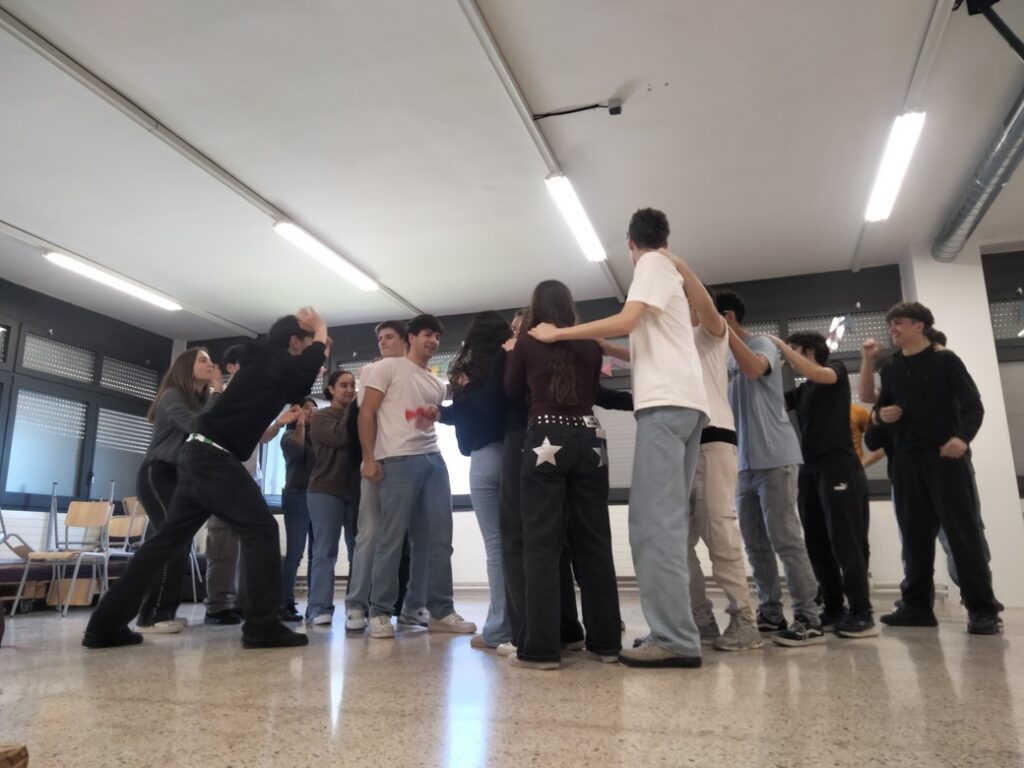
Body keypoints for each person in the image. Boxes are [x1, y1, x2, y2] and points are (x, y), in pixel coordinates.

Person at [82, 308, 330, 650]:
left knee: (165, 542)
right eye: (309, 344)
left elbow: (298, 381)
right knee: (262, 529)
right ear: (294, 342)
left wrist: (317, 345)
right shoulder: (273, 359)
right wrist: (320, 328)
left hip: (199, 455)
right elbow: (302, 378)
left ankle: (104, 625)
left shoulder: (264, 364)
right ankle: (261, 627)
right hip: (213, 458)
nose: (315, 351)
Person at [530, 208, 710, 668]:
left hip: (665, 408)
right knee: (667, 523)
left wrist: (559, 332)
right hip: (686, 406)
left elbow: (627, 321)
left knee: (652, 527)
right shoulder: (671, 274)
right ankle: (677, 632)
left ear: (631, 242)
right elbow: (649, 341)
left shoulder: (651, 264)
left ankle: (675, 639)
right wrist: (606, 348)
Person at [506, 282, 622, 669]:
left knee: (541, 545)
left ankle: (541, 650)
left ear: (535, 308)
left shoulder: (526, 344)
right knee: (595, 542)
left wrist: (514, 352)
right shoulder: (589, 343)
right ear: (569, 307)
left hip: (545, 436)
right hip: (590, 438)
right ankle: (606, 643)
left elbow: (511, 390)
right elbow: (593, 390)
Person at [874, 302, 1001, 634]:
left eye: (899, 322)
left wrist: (962, 438)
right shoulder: (891, 368)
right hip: (905, 461)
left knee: (962, 535)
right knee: (914, 538)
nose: (892, 329)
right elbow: (879, 411)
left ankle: (983, 609)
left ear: (920, 325)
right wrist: (881, 415)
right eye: (890, 324)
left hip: (944, 459)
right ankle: (917, 607)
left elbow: (974, 406)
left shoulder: (946, 361)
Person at [716, 289, 824, 647]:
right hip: (743, 463)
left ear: (728, 317)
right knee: (755, 546)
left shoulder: (761, 343)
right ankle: (771, 612)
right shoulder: (722, 357)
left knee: (786, 539)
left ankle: (809, 617)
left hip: (776, 458)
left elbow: (753, 369)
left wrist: (724, 331)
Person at [358, 314, 476, 639]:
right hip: (397, 459)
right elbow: (366, 412)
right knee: (391, 538)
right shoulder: (387, 368)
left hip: (433, 460)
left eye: (437, 337)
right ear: (411, 337)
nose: (433, 341)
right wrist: (369, 458)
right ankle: (380, 612)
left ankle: (439, 610)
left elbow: (427, 419)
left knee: (439, 540)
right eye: (427, 334)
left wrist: (431, 415)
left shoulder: (436, 383)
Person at [772, 331, 876, 639]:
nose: (788, 357)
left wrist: (779, 345)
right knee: (817, 544)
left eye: (793, 350)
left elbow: (818, 373)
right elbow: (770, 401)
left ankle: (861, 612)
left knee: (846, 542)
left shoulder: (835, 370)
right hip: (810, 470)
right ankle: (833, 607)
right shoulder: (804, 391)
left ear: (809, 350)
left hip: (839, 468)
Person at [685, 287, 763, 652]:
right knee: (676, 541)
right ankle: (700, 619)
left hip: (713, 438)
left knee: (719, 531)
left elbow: (706, 307)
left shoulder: (711, 331)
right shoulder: (679, 338)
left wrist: (678, 268)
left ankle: (744, 620)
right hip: (682, 444)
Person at [204, 344, 297, 625]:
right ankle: (218, 605)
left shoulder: (252, 396)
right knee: (222, 544)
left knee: (252, 542)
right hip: (221, 479)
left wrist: (278, 423)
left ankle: (245, 602)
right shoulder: (216, 396)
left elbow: (260, 436)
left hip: (250, 480)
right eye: (245, 365)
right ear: (231, 368)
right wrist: (218, 388)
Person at [344, 320, 427, 632]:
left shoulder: (417, 373)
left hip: (409, 462)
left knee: (408, 539)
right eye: (379, 338)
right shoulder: (372, 371)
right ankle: (356, 604)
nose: (382, 342)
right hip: (377, 463)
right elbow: (365, 416)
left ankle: (408, 606)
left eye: (388, 337)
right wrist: (369, 459)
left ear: (406, 340)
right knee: (369, 534)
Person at [134, 347, 223, 634]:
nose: (211, 364)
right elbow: (198, 427)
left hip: (179, 476)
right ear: (187, 367)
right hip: (157, 473)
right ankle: (151, 616)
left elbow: (214, 428)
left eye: (210, 360)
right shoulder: (172, 395)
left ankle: (164, 611)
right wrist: (218, 393)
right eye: (203, 360)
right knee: (172, 540)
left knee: (179, 541)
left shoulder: (200, 400)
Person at [439, 311, 514, 650]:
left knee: (497, 546)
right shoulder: (506, 360)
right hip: (511, 454)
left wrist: (465, 389)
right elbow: (471, 411)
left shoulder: (484, 367)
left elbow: (486, 406)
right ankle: (515, 623)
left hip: (487, 457)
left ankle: (499, 629)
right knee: (513, 544)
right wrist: (441, 414)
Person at [305, 371, 361, 624]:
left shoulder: (359, 416)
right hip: (325, 490)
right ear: (330, 389)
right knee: (325, 552)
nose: (349, 390)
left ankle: (356, 607)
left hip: (356, 491)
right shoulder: (321, 416)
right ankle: (319, 608)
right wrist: (355, 409)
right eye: (343, 385)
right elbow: (340, 436)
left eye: (353, 385)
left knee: (359, 551)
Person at [278, 397, 318, 622]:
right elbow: (296, 450)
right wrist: (301, 422)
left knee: (317, 553)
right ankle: (285, 603)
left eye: (314, 408)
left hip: (319, 497)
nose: (311, 411)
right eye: (307, 408)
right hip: (297, 496)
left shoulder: (318, 436)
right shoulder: (289, 436)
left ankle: (316, 604)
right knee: (295, 553)